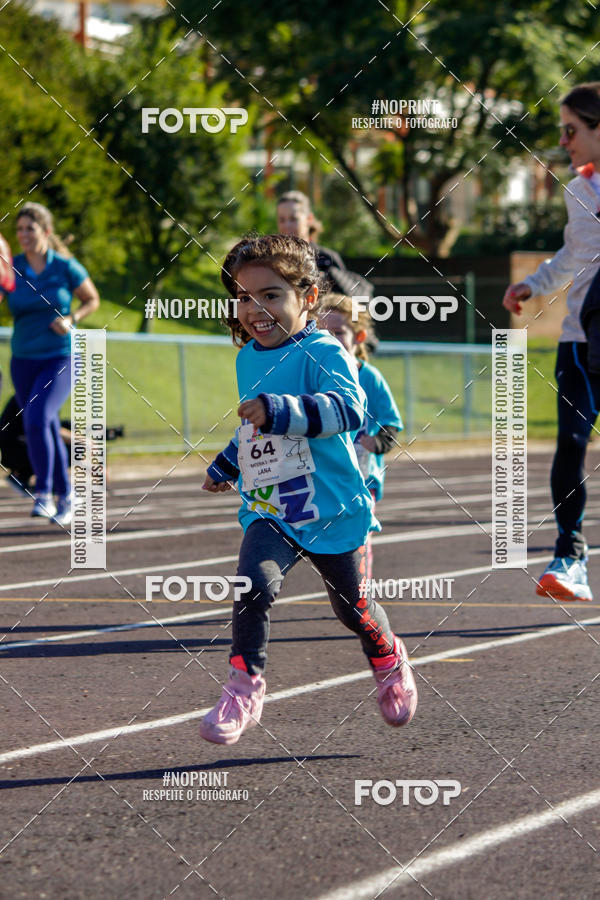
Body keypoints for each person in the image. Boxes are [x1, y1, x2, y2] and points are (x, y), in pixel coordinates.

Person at [199, 234, 417, 745]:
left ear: (308, 297)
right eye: (244, 297)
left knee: (352, 609)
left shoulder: (324, 351)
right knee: (253, 584)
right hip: (272, 504)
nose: (255, 310)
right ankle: (243, 686)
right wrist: (228, 463)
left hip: (331, 507)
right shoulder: (247, 358)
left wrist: (279, 410)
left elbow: (349, 410)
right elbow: (255, 426)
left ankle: (387, 655)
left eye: (271, 295)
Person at [502, 82, 600, 602]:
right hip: (581, 342)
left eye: (571, 130)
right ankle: (570, 556)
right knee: (572, 443)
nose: (563, 141)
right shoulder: (577, 190)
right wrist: (533, 284)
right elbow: (571, 256)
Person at [6, 202, 100, 524]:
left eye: (29, 229)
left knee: (36, 419)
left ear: (45, 231)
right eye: (19, 229)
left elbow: (92, 299)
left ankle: (43, 492)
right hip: (22, 360)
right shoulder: (12, 268)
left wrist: (72, 318)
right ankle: (66, 495)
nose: (23, 235)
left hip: (61, 356)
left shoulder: (64, 266)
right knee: (43, 424)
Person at [318, 294, 403, 582]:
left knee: (358, 536)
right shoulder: (315, 374)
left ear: (359, 337)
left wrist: (376, 442)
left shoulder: (371, 378)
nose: (331, 340)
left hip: (363, 477)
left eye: (338, 333)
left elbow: (392, 424)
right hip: (325, 474)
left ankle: (359, 591)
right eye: (323, 333)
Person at [277, 190, 374, 299]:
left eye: (293, 219)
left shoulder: (327, 258)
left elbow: (344, 301)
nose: (287, 225)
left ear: (309, 219)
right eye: (282, 220)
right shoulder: (274, 259)